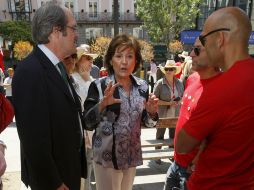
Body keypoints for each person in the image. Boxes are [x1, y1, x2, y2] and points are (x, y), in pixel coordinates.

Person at [176, 7, 254, 190]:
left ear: (220, 40)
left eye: (203, 39)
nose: (201, 46)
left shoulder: (220, 88)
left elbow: (182, 145)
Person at [12, 2, 87, 190]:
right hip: (54, 181)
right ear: (56, 30)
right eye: (73, 28)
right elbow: (33, 139)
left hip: (69, 172)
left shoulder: (59, 67)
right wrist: (54, 183)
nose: (76, 34)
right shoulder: (30, 71)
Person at [83, 34, 159, 190]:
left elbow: (148, 123)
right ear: (111, 60)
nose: (124, 61)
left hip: (131, 158)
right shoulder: (99, 86)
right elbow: (87, 122)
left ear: (136, 61)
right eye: (118, 56)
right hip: (107, 160)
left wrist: (151, 113)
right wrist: (102, 105)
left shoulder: (143, 87)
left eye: (129, 56)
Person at [163, 38, 221, 190]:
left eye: (197, 50)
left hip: (192, 170)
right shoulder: (192, 79)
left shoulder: (221, 88)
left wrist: (196, 161)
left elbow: (216, 133)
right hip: (175, 164)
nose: (190, 54)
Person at [72, 45, 98, 190]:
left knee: (90, 165)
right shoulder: (73, 80)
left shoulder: (92, 79)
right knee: (82, 170)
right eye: (87, 58)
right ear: (79, 60)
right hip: (79, 132)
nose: (90, 62)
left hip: (92, 131)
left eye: (91, 59)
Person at [153, 60, 184, 164]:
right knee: (160, 136)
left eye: (171, 69)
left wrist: (179, 100)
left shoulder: (179, 83)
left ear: (175, 70)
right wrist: (168, 103)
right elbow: (154, 100)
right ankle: (157, 156)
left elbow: (183, 97)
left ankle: (172, 155)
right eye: (167, 69)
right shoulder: (159, 83)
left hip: (176, 114)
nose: (169, 71)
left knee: (173, 136)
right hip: (162, 115)